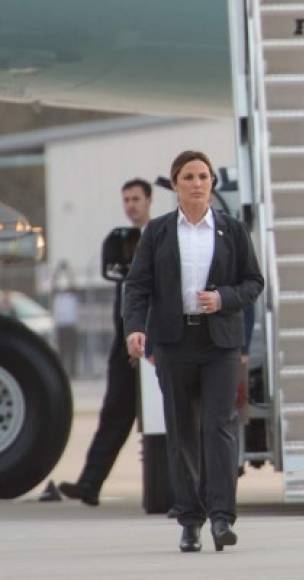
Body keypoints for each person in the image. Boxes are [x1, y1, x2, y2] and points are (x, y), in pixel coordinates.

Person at [123, 151, 263, 553]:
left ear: (211, 184)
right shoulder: (159, 232)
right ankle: (190, 520)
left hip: (220, 342)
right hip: (173, 342)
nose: (198, 183)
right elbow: (137, 286)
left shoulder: (232, 230)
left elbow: (254, 283)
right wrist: (135, 328)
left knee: (218, 428)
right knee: (182, 430)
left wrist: (224, 298)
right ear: (176, 183)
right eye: (189, 176)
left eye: (204, 176)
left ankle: (222, 518)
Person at [59, 179, 153, 506]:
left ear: (149, 201)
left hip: (155, 341)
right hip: (124, 342)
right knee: (114, 413)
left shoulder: (162, 236)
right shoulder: (119, 241)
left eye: (136, 199)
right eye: (126, 199)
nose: (131, 205)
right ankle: (90, 483)